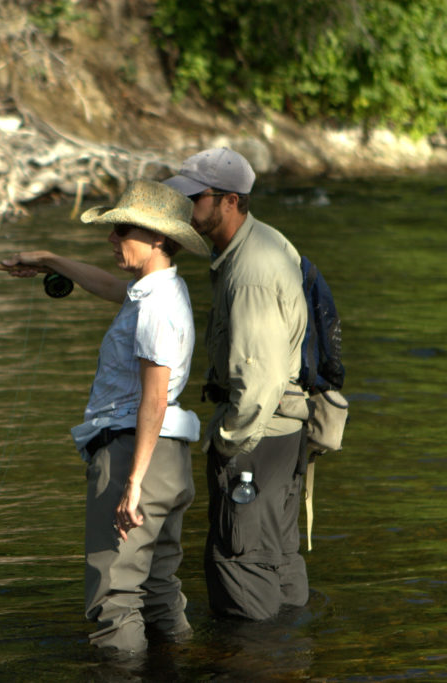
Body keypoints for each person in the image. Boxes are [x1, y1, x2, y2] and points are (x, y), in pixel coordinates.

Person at [2, 179, 209, 655]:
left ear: (159, 238)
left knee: (114, 598)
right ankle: (185, 663)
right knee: (157, 587)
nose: (112, 239)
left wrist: (132, 482)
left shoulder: (155, 308)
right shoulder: (157, 289)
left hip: (134, 454)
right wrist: (49, 260)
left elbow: (153, 400)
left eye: (123, 231)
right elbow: (112, 287)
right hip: (169, 459)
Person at [163, 147, 311, 621]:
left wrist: (225, 446)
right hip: (284, 435)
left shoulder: (249, 274)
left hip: (258, 439)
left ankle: (254, 662)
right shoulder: (263, 243)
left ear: (229, 201)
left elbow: (258, 380)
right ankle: (291, 657)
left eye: (195, 197)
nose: (186, 207)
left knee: (239, 562)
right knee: (277, 558)